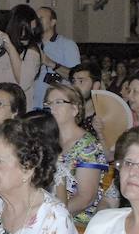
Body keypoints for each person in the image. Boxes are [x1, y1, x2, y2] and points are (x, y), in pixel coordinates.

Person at [44, 82, 107, 218]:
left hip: (76, 220)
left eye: (58, 102)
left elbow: (85, 198)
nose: (51, 108)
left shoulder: (88, 146)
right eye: (48, 103)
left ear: (74, 109)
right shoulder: (47, 139)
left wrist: (49, 215)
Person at [33, 6, 81, 109]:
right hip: (34, 105)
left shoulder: (67, 45)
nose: (37, 21)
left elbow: (77, 77)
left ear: (53, 22)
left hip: (56, 106)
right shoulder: (33, 46)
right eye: (35, 18)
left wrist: (50, 63)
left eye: (41, 18)